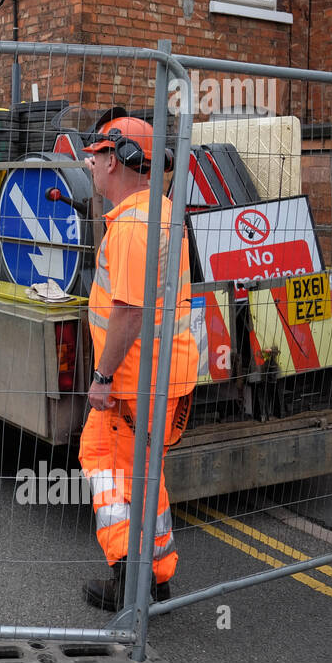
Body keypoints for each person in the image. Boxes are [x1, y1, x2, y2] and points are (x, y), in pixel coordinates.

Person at [79, 111, 199, 611]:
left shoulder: (132, 225)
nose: (89, 167)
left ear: (116, 160)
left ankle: (131, 581)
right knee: (149, 477)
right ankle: (158, 572)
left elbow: (128, 312)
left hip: (134, 381)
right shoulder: (165, 211)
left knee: (102, 464)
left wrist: (101, 378)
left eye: (94, 158)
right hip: (167, 376)